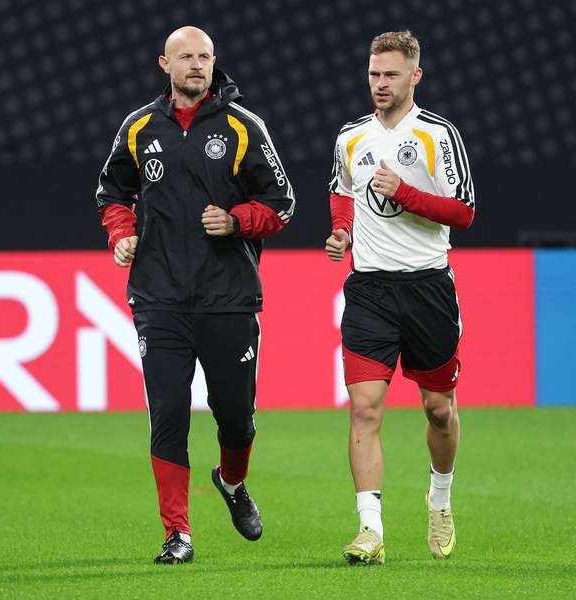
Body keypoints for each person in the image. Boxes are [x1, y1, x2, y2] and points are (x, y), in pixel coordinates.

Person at [95, 26, 294, 564]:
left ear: (213, 63)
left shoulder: (242, 127)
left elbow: (282, 203)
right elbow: (112, 192)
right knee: (168, 414)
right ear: (165, 64)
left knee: (236, 419)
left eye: (204, 57)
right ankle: (177, 533)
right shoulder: (138, 128)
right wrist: (121, 233)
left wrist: (235, 221)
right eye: (185, 57)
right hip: (157, 298)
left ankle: (231, 482)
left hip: (227, 297)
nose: (197, 65)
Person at [325, 30, 475, 565]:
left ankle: (440, 500)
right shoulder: (350, 137)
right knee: (364, 409)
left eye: (390, 74)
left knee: (438, 410)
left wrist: (404, 194)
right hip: (369, 289)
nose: (380, 84)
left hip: (428, 286)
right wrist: (342, 232)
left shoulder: (438, 135)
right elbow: (342, 190)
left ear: (416, 76)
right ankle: (370, 529)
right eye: (373, 74)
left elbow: (463, 212)